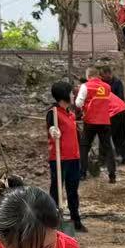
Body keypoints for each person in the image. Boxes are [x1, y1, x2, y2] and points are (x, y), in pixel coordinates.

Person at [46, 80, 86, 234]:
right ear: (64, 95)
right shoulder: (53, 112)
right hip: (59, 158)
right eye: (71, 93)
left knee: (73, 190)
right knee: (56, 190)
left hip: (74, 157)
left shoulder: (70, 113)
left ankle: (76, 219)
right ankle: (53, 220)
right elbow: (51, 125)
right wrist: (53, 130)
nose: (73, 95)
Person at [78, 66, 119, 182]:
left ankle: (82, 173)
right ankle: (112, 175)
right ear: (98, 75)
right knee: (108, 148)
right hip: (104, 121)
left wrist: (83, 107)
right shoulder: (107, 87)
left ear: (88, 76)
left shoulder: (85, 86)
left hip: (90, 121)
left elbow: (78, 103)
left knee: (84, 146)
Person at [105, 70, 125, 165]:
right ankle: (124, 158)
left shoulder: (117, 83)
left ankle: (113, 159)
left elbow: (120, 96)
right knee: (119, 137)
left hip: (115, 111)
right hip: (122, 109)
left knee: (113, 136)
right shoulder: (105, 85)